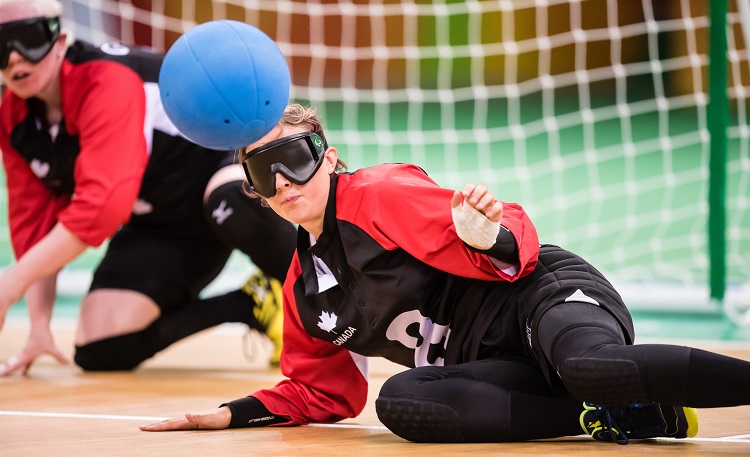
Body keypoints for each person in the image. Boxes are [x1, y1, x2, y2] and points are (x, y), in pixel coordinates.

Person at [140, 104, 750, 445]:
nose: (282, 184)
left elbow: (513, 229)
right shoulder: (304, 287)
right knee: (401, 402)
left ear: (327, 156)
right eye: (260, 174)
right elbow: (321, 393)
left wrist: (491, 235)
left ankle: (622, 392)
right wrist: (229, 413)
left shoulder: (376, 194)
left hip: (543, 298)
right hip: (493, 364)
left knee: (588, 367)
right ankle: (613, 413)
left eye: (292, 161)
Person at [0, 0, 297, 374]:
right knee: (100, 349)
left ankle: (333, 305)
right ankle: (250, 303)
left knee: (230, 202)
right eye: (0, 47)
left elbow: (102, 209)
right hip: (162, 220)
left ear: (59, 38)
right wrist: (38, 326)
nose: (14, 59)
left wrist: (8, 286)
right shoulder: (14, 118)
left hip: (224, 173)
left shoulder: (105, 79)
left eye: (27, 39)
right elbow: (36, 226)